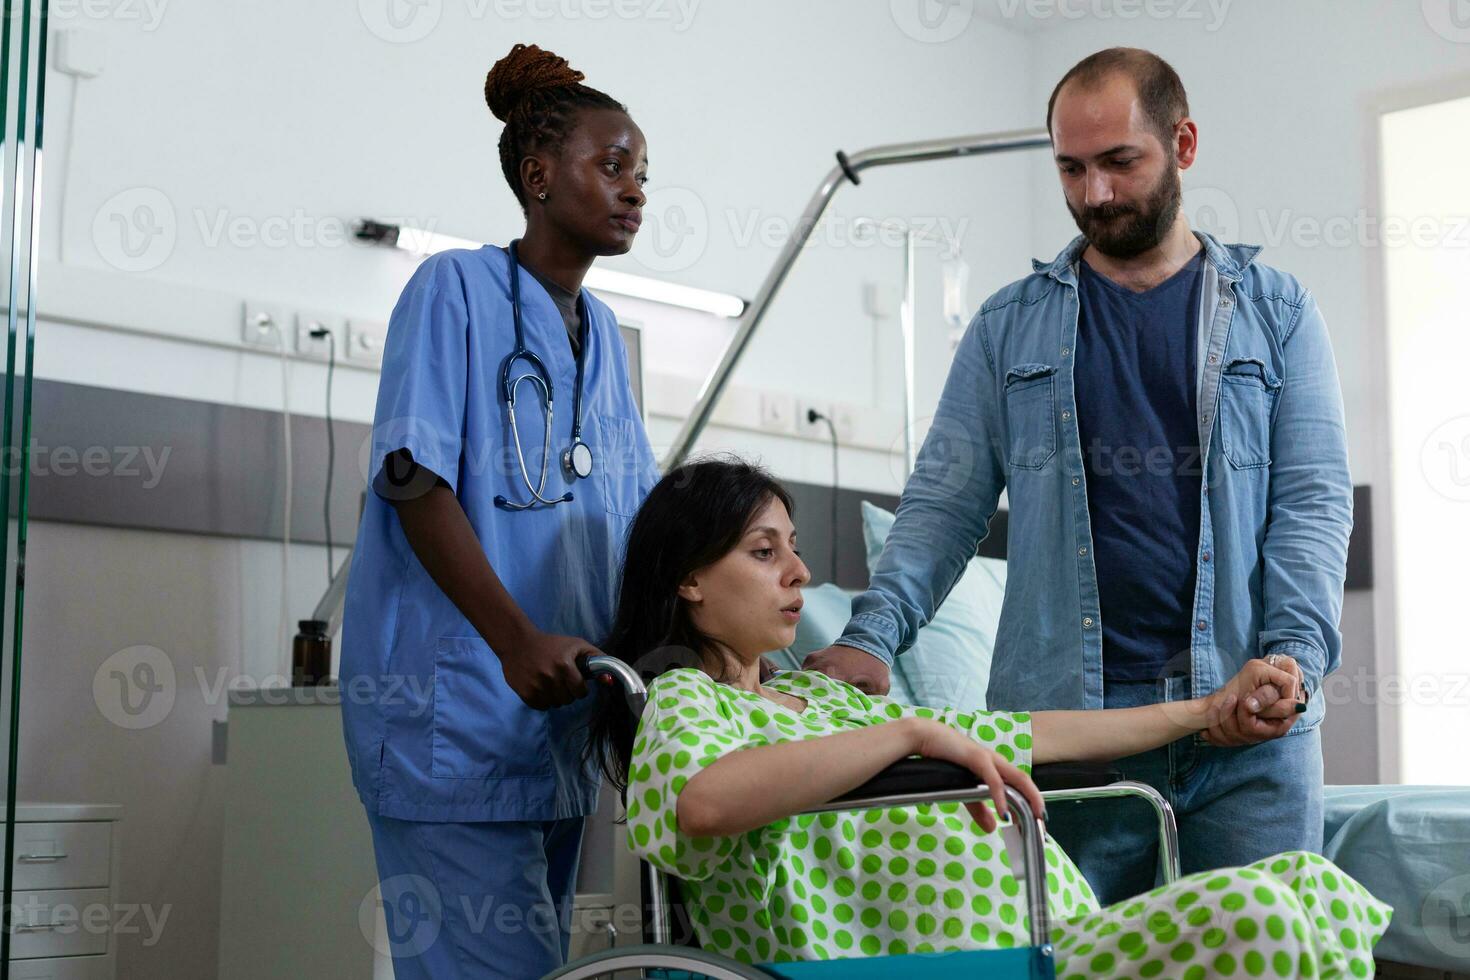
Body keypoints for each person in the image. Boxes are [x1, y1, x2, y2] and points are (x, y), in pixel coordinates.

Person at [804, 47, 1353, 905]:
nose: (1094, 193)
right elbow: (945, 505)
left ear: (1184, 143)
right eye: (1071, 168)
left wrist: (1290, 661)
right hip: (1070, 738)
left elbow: (1313, 508)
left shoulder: (1278, 316)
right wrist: (872, 635)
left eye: (1119, 162)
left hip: (1249, 739)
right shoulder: (1005, 331)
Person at [587, 458, 1388, 976]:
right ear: (689, 579)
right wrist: (908, 731)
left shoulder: (824, 696)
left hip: (1041, 938)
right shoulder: (690, 698)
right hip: (915, 964)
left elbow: (1042, 734)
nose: (798, 570)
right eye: (764, 553)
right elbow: (704, 802)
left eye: (793, 547)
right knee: (1261, 917)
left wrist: (1206, 711)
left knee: (1312, 887)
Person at [339, 43, 659, 978]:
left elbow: (632, 517)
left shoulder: (604, 336)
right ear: (537, 175)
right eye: (612, 165)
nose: (635, 189)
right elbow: (411, 480)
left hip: (555, 736)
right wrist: (516, 639)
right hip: (456, 726)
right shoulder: (454, 290)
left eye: (643, 173)